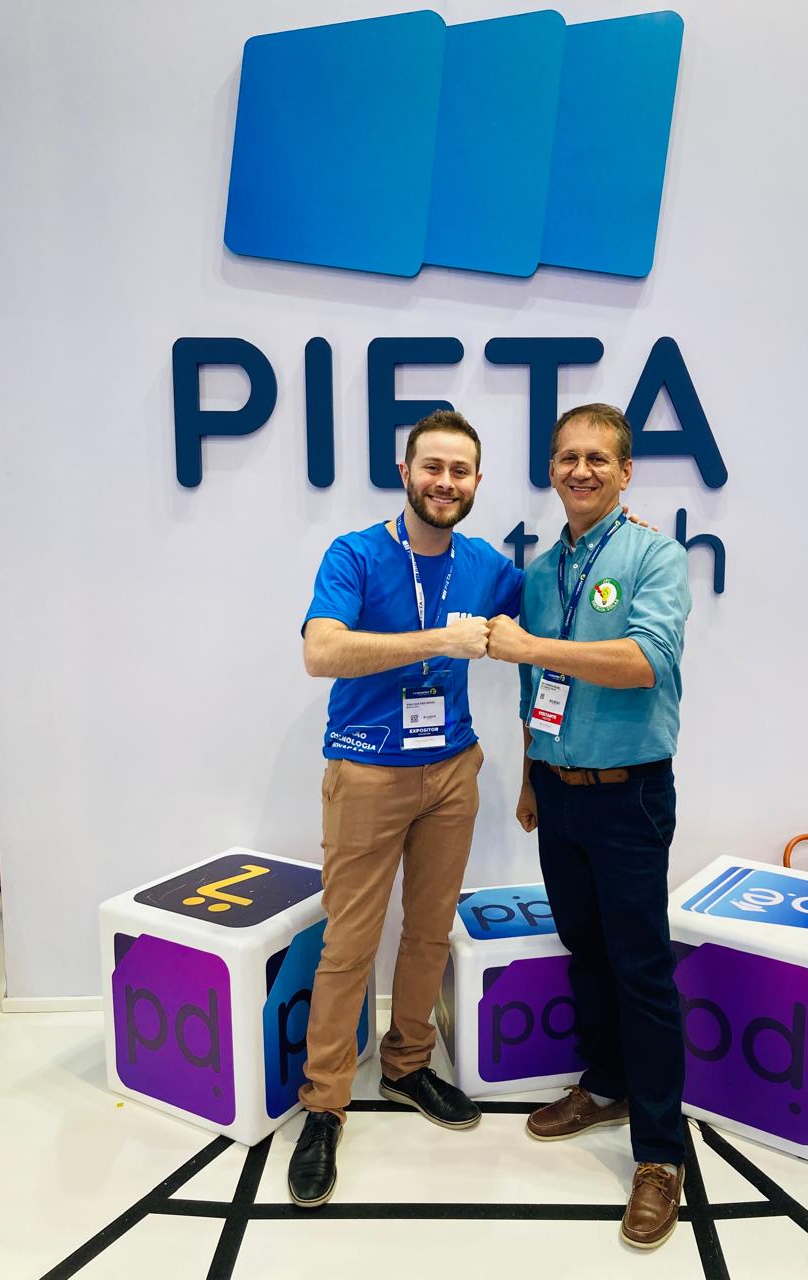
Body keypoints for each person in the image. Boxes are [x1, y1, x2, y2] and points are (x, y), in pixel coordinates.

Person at [288, 410, 523, 1208]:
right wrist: (435, 642)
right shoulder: (355, 554)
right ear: (405, 472)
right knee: (349, 944)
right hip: (367, 771)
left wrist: (626, 539)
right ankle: (325, 1106)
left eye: (460, 471)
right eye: (433, 467)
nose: (445, 483)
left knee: (428, 931)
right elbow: (322, 650)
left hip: (452, 771)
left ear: (477, 482)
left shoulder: (484, 564)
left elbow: (548, 609)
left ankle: (408, 1065)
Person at [486, 402, 691, 1251]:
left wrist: (532, 648)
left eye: (598, 458)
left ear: (625, 470)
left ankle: (660, 1155)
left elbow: (645, 663)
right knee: (586, 950)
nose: (580, 470)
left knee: (641, 968)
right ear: (552, 469)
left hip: (629, 794)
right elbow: (532, 689)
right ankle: (604, 1084)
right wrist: (531, 776)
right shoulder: (541, 574)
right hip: (560, 794)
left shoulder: (655, 555)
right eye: (568, 457)